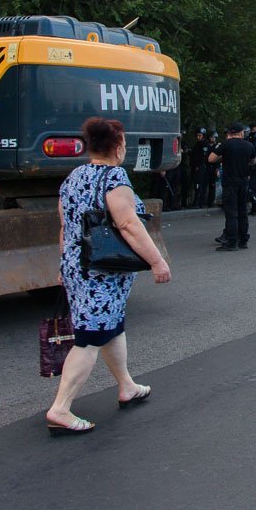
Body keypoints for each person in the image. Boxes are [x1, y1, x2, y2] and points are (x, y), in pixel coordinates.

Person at [48, 117, 171, 436]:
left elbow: (65, 226)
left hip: (78, 265)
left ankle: (126, 385)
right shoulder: (114, 178)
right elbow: (129, 225)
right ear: (116, 147)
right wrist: (157, 261)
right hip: (102, 271)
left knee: (111, 327)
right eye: (125, 144)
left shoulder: (73, 177)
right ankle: (61, 408)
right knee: (89, 338)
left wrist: (64, 266)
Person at [209, 123, 254, 250]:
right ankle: (243, 240)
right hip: (243, 182)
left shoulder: (226, 144)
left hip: (230, 183)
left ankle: (232, 241)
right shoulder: (249, 145)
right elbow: (253, 161)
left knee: (231, 213)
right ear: (241, 133)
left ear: (231, 133)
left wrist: (224, 156)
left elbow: (211, 159)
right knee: (243, 212)